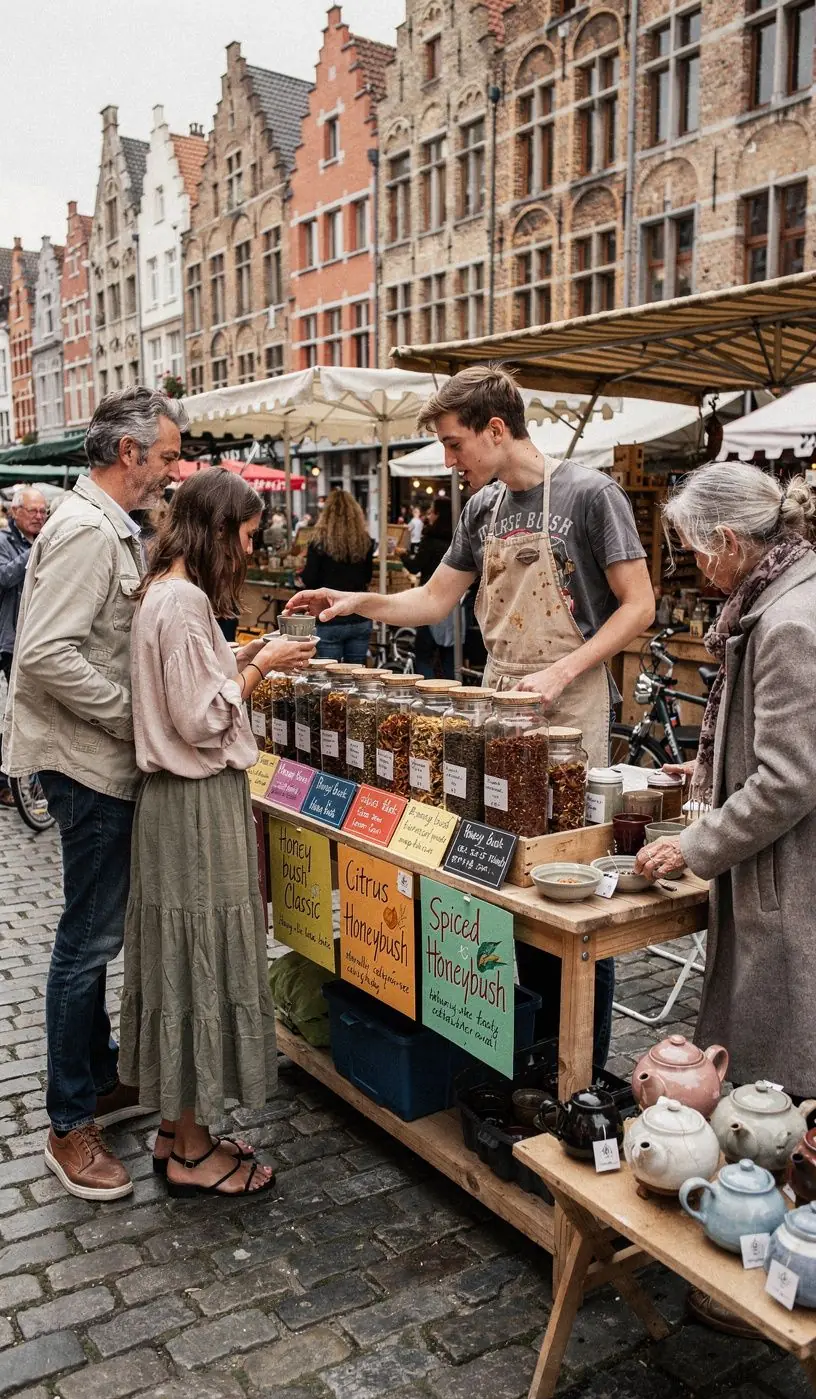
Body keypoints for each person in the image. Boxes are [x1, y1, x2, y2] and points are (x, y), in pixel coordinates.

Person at [286, 364, 655, 1065]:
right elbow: (432, 601)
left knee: (572, 894)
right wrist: (355, 599)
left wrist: (565, 669)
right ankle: (523, 1049)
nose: (450, 463)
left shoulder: (588, 494)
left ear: (495, 429)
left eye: (456, 446)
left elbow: (640, 605)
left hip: (570, 711)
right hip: (498, 705)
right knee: (508, 884)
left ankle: (579, 1062)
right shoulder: (483, 510)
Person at [635, 460, 816, 1336]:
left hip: (792, 873)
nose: (693, 570)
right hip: (781, 862)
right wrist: (705, 770)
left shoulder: (785, 620)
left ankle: (775, 1266)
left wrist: (697, 840)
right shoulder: (781, 595)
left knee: (781, 1072)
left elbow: (788, 778)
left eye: (694, 553)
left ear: (734, 544)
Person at [3, 388, 187, 1201]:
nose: (173, 470)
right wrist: (135, 717)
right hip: (86, 766)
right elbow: (44, 655)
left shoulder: (103, 525)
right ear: (128, 454)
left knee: (95, 933)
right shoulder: (85, 531)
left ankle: (100, 1079)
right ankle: (68, 1122)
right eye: (168, 456)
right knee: (86, 942)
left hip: (93, 761)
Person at [118, 469, 315, 1196]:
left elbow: (184, 686)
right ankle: (193, 1150)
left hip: (178, 804)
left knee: (181, 957)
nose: (247, 550)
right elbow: (201, 719)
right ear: (217, 530)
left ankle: (178, 1125)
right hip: (196, 805)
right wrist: (261, 664)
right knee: (200, 954)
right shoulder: (183, 598)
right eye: (246, 535)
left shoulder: (163, 594)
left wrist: (235, 658)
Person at [0, 486, 47, 805]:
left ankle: (29, 777)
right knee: (14, 712)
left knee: (33, 713)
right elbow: (4, 576)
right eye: (33, 511)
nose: (39, 517)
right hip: (10, 638)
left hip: (39, 637)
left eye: (43, 512)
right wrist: (35, 551)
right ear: (15, 512)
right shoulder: (4, 542)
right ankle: (6, 780)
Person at [298, 489, 375, 663]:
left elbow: (309, 579)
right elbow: (367, 578)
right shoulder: (366, 542)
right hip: (359, 615)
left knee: (328, 679)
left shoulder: (318, 543)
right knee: (357, 678)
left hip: (329, 617)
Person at [404, 498, 455, 678]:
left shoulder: (431, 540)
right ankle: (451, 693)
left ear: (439, 515)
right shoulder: (457, 539)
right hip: (454, 601)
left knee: (424, 652)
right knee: (450, 654)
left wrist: (403, 555)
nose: (428, 515)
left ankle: (429, 695)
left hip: (430, 599)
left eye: (432, 511)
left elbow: (415, 566)